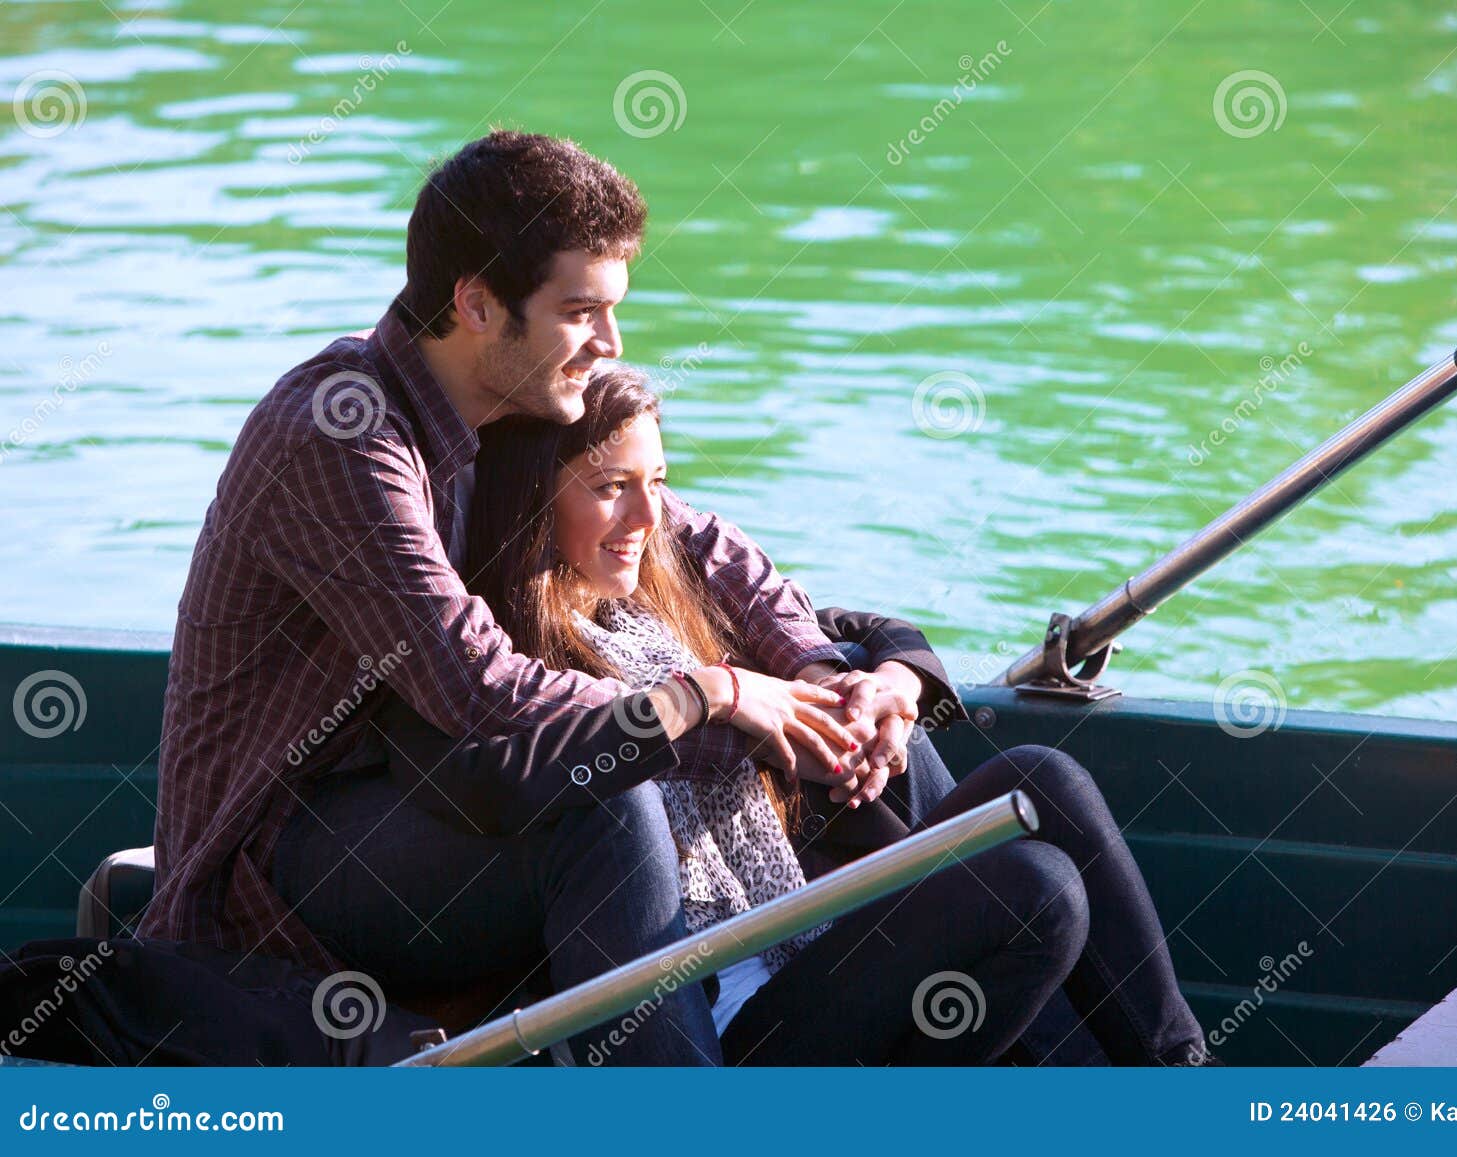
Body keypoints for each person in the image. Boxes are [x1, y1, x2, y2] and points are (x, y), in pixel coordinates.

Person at [140, 131, 870, 1065]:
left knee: (634, 769)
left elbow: (696, 540)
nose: (609, 345)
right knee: (603, 803)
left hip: (427, 796)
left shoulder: (514, 389)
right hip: (274, 859)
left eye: (612, 310)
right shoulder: (340, 435)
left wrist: (812, 665)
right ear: (476, 303)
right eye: (582, 312)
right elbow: (476, 689)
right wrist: (714, 696)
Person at [346, 366, 1214, 1065]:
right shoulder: (498, 669)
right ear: (534, 500)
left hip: (806, 939)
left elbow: (857, 628)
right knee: (1039, 891)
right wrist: (712, 697)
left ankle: (1186, 1079)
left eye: (658, 481)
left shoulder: (668, 607)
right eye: (611, 487)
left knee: (1045, 777)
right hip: (725, 1014)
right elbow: (485, 774)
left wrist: (892, 686)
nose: (650, 517)